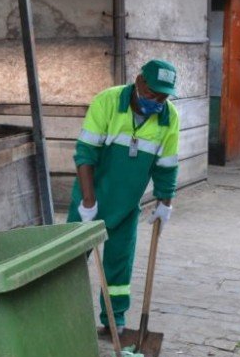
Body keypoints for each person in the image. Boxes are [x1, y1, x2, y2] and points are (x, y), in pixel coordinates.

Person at [67, 59, 180, 335]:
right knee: (70, 260)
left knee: (119, 263)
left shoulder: (169, 117)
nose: (158, 101)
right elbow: (85, 155)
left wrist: (165, 202)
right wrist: (88, 202)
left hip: (127, 203)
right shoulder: (107, 102)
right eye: (153, 93)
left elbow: (166, 165)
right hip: (90, 198)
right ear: (139, 81)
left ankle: (114, 319)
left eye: (164, 95)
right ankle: (63, 316)